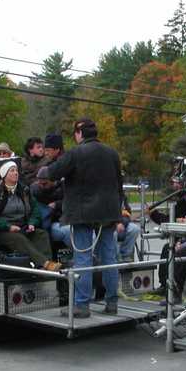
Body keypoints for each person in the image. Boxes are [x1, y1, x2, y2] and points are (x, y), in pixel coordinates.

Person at [43, 118, 123, 318]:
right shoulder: (112, 153)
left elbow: (52, 172)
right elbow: (119, 184)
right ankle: (112, 302)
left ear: (79, 133)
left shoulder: (76, 153)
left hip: (83, 213)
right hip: (108, 212)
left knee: (83, 260)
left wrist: (42, 172)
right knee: (109, 258)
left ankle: (82, 305)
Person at [0, 161, 61, 271]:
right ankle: (45, 263)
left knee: (41, 234)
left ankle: (45, 268)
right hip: (2, 230)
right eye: (12, 171)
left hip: (22, 227)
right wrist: (8, 226)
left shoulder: (24, 190)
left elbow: (35, 210)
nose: (16, 173)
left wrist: (32, 223)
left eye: (16, 170)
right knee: (19, 238)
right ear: (4, 175)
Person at [117, 193, 141, 262]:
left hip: (121, 221)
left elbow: (127, 213)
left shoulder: (122, 195)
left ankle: (125, 255)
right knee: (113, 234)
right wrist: (116, 224)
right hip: (105, 224)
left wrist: (122, 223)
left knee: (134, 229)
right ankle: (115, 257)